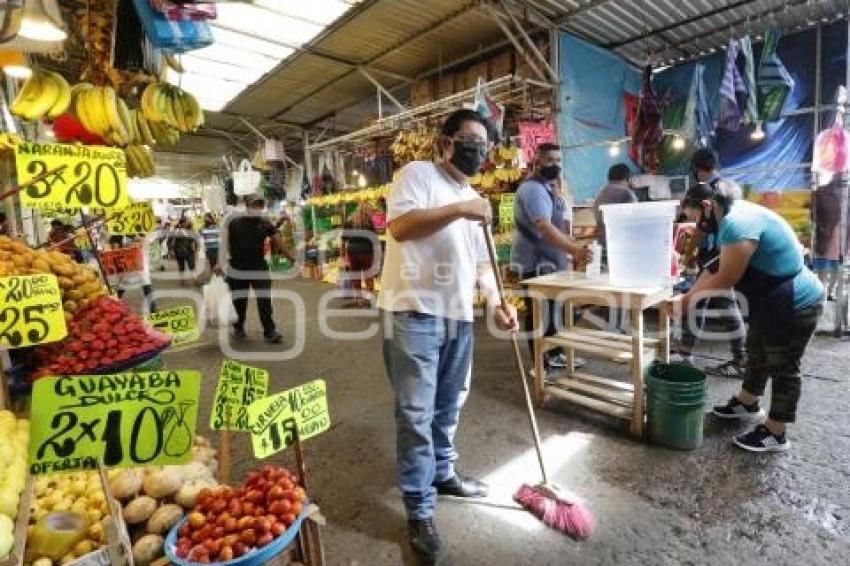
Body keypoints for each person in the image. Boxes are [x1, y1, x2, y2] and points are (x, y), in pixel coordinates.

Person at [378, 109, 518, 564]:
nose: (478, 149)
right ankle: (419, 509)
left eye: (484, 143)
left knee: (449, 403)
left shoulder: (476, 198)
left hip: (459, 316)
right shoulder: (416, 175)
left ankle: (442, 472)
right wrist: (461, 207)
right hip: (412, 311)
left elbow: (482, 264)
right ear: (444, 143)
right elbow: (400, 228)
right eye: (469, 140)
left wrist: (498, 301)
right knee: (415, 412)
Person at [668, 181, 823, 452]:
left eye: (695, 218)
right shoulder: (730, 215)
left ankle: (776, 433)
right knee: (757, 352)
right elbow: (714, 268)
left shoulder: (735, 223)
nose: (698, 226)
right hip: (770, 299)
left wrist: (688, 300)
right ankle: (747, 401)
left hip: (796, 301)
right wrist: (686, 298)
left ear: (706, 206)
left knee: (784, 366)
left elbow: (728, 277)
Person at [511, 143, 591, 375]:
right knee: (539, 316)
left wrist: (571, 249)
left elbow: (558, 225)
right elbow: (544, 227)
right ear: (536, 161)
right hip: (536, 263)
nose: (554, 165)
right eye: (549, 160)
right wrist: (575, 250)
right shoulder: (533, 190)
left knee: (555, 313)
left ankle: (555, 354)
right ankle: (539, 364)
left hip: (551, 263)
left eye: (558, 161)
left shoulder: (548, 188)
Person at [674, 149, 747, 378]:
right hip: (722, 251)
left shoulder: (709, 193)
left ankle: (740, 358)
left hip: (721, 253)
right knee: (700, 301)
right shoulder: (730, 186)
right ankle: (687, 352)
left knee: (723, 303)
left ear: (697, 169)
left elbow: (701, 228)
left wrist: (688, 253)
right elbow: (701, 226)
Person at [217, 196, 283, 344]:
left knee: (264, 299)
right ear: (247, 206)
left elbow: (276, 238)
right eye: (254, 205)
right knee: (240, 300)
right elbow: (224, 243)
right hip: (237, 267)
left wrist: (291, 258)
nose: (257, 208)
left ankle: (269, 331)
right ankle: (239, 327)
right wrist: (219, 263)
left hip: (259, 267)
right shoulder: (234, 222)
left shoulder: (265, 223)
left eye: (260, 205)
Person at [107, 235, 156, 313]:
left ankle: (154, 312)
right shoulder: (117, 236)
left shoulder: (138, 235)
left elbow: (150, 242)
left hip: (139, 269)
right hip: (127, 270)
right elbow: (114, 250)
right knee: (121, 290)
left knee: (147, 289)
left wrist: (139, 239)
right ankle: (112, 308)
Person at [593, 163, 637, 251]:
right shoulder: (627, 194)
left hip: (603, 244)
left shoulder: (600, 193)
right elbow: (634, 222)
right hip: (622, 246)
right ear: (628, 177)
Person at [341, 202, 378, 307]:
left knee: (356, 275)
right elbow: (374, 241)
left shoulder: (349, 221)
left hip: (352, 252)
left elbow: (343, 240)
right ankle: (370, 298)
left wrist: (343, 253)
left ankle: (359, 300)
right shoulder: (369, 223)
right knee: (368, 275)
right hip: (367, 252)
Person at [812, 178, 843, 301]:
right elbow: (814, 214)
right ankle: (822, 292)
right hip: (826, 233)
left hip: (841, 235)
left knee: (838, 266)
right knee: (823, 264)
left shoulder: (844, 194)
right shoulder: (822, 193)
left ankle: (831, 291)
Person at [172, 217, 198, 286]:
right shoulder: (176, 231)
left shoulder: (190, 230)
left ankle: (195, 279)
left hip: (189, 251)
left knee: (192, 266)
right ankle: (183, 281)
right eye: (186, 221)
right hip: (179, 251)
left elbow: (195, 240)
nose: (188, 222)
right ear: (183, 223)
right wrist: (172, 251)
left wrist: (196, 250)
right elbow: (171, 241)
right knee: (181, 267)